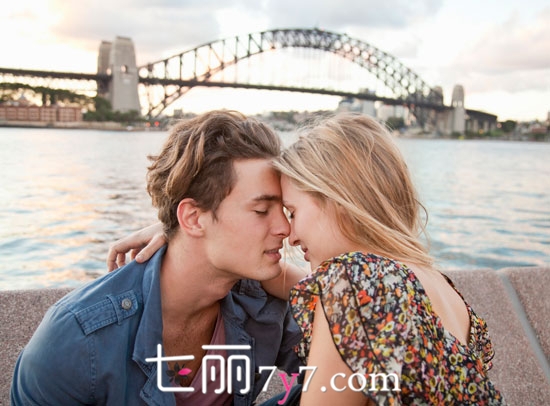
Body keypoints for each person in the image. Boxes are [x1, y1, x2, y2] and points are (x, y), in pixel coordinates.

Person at [116, 112, 506, 405]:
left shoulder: (353, 285)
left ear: (337, 202)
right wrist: (188, 232)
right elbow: (292, 280)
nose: (289, 232)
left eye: (292, 211)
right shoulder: (430, 284)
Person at [10, 110, 303, 406]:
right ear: (193, 218)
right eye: (261, 211)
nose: (285, 228)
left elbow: (332, 370)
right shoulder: (77, 339)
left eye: (286, 211)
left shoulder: (261, 302)